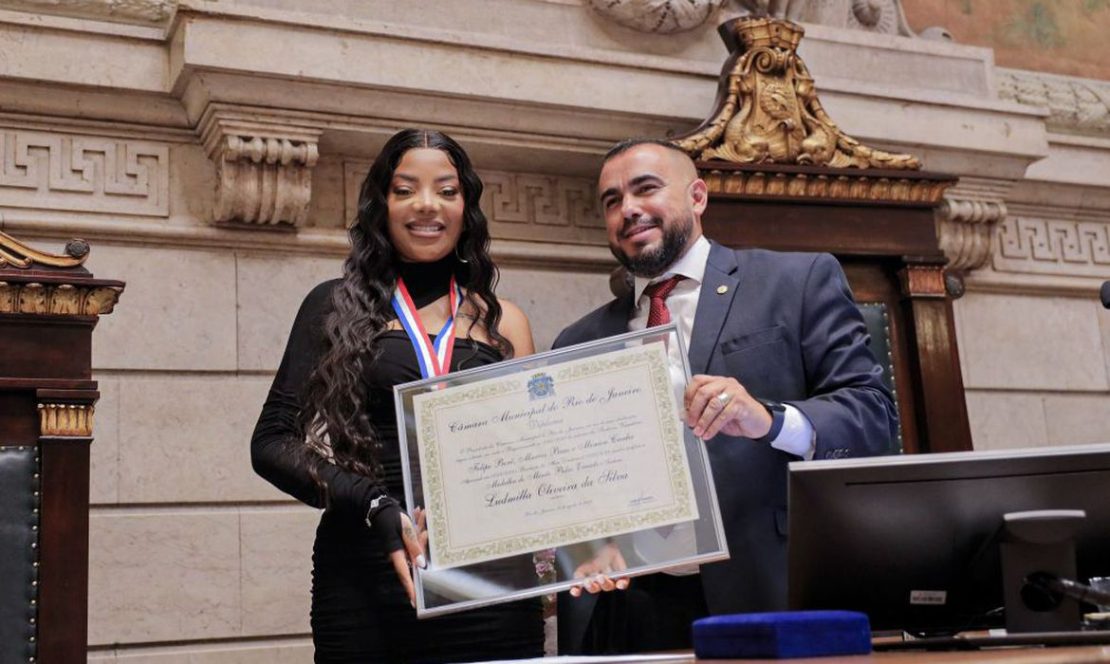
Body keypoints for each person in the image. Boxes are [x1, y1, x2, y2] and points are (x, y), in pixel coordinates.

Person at [554, 138, 898, 654]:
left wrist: (771, 420)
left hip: (770, 592)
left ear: (697, 196)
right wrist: (589, 542)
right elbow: (571, 486)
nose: (628, 209)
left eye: (646, 188)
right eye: (611, 201)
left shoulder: (795, 282)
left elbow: (874, 416)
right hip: (631, 612)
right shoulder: (578, 342)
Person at [251, 128, 543, 663]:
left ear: (466, 207)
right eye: (406, 189)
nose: (427, 205)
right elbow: (271, 443)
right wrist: (372, 503)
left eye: (446, 190)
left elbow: (533, 460)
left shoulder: (505, 322)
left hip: (490, 579)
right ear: (381, 205)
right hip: (367, 569)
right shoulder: (332, 306)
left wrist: (573, 552)